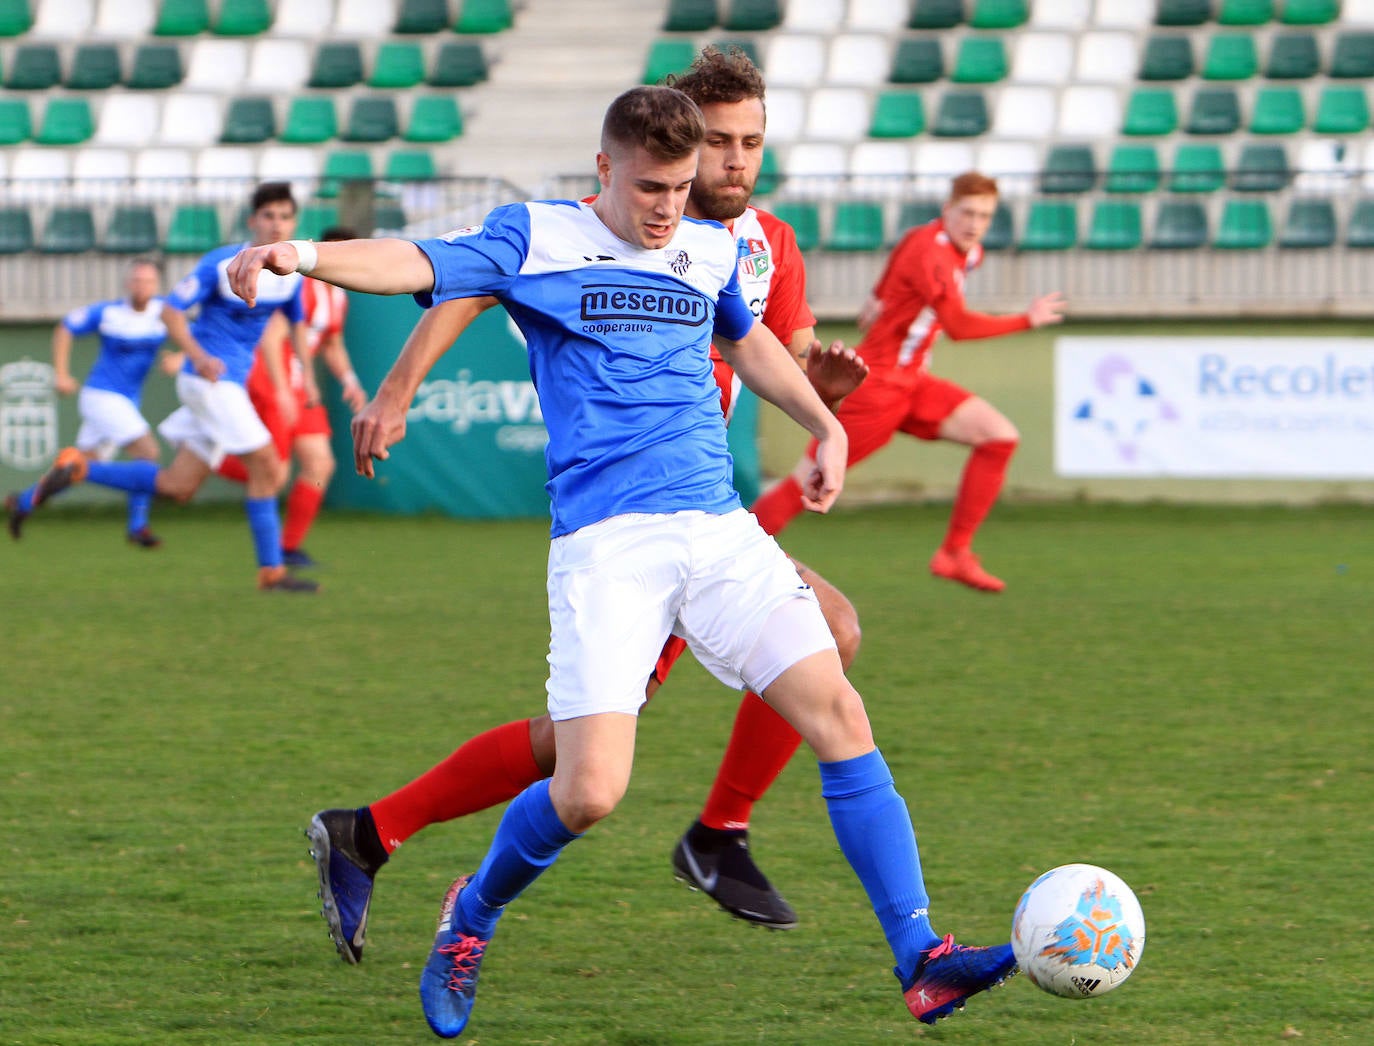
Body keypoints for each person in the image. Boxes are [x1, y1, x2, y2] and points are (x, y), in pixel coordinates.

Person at [229, 85, 1014, 1037]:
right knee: (590, 789)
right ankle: (469, 916)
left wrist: (822, 422)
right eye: (649, 186)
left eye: (681, 188)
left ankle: (920, 957)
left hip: (719, 534)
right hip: (610, 548)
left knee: (840, 708)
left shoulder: (713, 245)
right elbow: (416, 263)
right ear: (605, 170)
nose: (666, 208)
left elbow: (748, 337)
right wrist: (299, 255)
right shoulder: (538, 237)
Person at [304, 48, 865, 965]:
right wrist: (399, 386)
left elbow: (783, 358)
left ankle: (714, 832)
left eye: (749, 143)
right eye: (714, 141)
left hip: (704, 515)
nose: (732, 162)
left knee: (818, 640)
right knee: (584, 759)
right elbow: (474, 281)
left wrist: (823, 395)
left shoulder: (764, 247)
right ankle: (389, 840)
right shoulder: (589, 230)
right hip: (626, 515)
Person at [751, 172, 1067, 593]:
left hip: (911, 383)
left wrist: (877, 298)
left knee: (998, 436)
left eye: (985, 216)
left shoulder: (963, 251)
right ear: (947, 211)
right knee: (804, 485)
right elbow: (957, 325)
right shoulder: (931, 253)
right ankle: (734, 555)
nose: (974, 224)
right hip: (874, 387)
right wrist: (1026, 319)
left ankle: (954, 554)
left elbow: (896, 271)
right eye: (967, 213)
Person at [15, 182, 320, 593]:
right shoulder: (221, 263)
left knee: (178, 486)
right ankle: (272, 571)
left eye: (284, 216)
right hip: (211, 383)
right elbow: (172, 311)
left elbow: (296, 327)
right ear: (252, 221)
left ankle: (83, 468)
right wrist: (195, 354)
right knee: (270, 468)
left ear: (294, 221)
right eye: (268, 215)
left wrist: (304, 384)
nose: (276, 223)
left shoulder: (291, 274)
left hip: (227, 386)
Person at [217, 225, 369, 568]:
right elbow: (272, 337)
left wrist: (349, 381)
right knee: (276, 473)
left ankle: (288, 548)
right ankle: (212, 455)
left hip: (301, 385)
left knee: (320, 464)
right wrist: (283, 389)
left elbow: (331, 343)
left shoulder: (339, 294)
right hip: (274, 379)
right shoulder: (305, 286)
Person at [6, 259, 173, 546]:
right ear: (127, 283)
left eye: (148, 281)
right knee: (148, 453)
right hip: (102, 396)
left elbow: (195, 338)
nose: (141, 286)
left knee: (82, 468)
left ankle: (23, 502)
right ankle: (138, 525)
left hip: (126, 402)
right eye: (136, 280)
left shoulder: (165, 313)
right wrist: (61, 374)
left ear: (157, 285)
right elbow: (65, 328)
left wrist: (181, 359)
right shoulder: (109, 313)